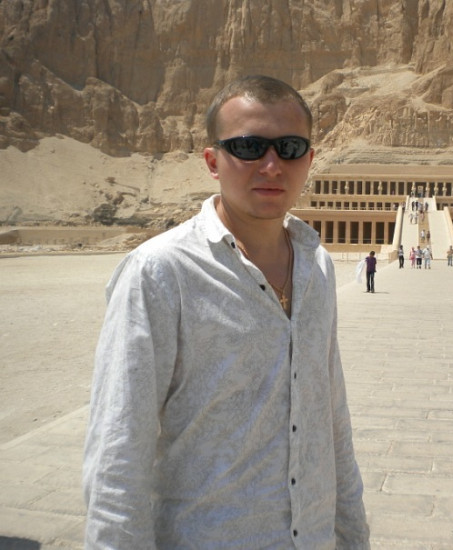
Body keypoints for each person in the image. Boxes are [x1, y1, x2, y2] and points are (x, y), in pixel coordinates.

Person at [83, 75, 370, 549]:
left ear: (310, 159)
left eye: (290, 148)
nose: (272, 165)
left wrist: (353, 537)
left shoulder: (317, 265)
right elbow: (118, 450)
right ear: (213, 161)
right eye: (249, 147)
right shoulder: (160, 273)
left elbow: (332, 418)